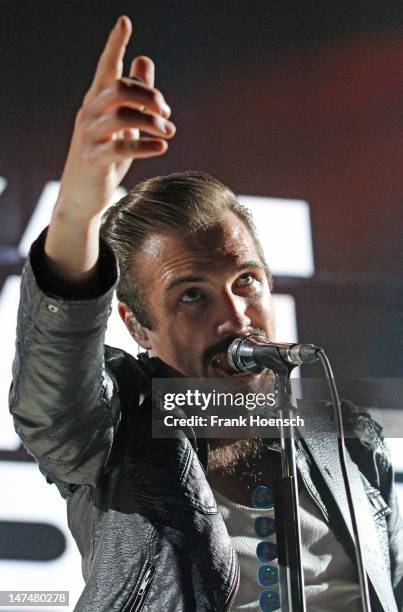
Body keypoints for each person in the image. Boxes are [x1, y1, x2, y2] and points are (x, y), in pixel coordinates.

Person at [9, 15, 403, 612]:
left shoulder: (347, 441)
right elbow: (53, 386)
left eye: (246, 280)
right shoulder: (114, 433)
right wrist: (79, 208)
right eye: (191, 294)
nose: (235, 316)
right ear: (137, 324)